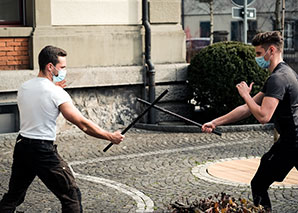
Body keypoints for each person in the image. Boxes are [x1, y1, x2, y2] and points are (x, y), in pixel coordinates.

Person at [0, 45, 124, 213]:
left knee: (14, 196)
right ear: (50, 67)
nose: (65, 71)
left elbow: (40, 102)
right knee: (71, 195)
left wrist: (57, 90)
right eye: (62, 67)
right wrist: (110, 136)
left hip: (22, 147)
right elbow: (83, 123)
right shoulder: (55, 93)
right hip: (42, 150)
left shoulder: (24, 87)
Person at [201, 31, 298, 211]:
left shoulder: (278, 78)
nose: (257, 58)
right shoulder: (285, 73)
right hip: (291, 140)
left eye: (259, 54)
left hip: (292, 142)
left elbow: (263, 116)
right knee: (262, 175)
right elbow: (247, 109)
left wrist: (246, 95)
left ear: (271, 50)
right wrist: (215, 122)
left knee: (259, 183)